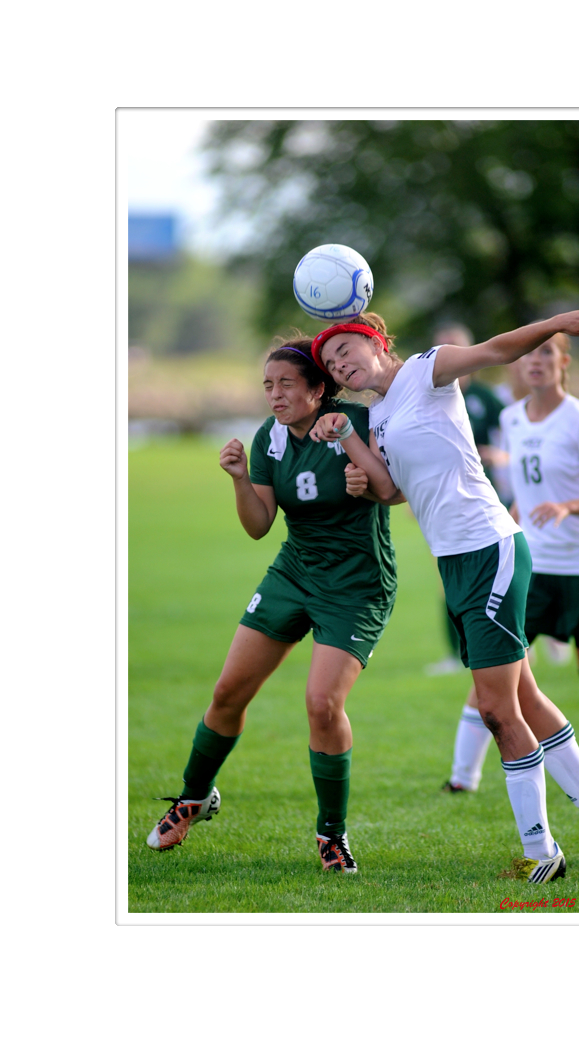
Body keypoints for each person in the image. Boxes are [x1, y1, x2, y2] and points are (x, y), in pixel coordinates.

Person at [309, 309, 579, 882]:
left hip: (490, 547)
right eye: (331, 365)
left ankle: (541, 852)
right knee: (523, 699)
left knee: (494, 707)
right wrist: (354, 454)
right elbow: (392, 490)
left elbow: (498, 348)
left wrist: (559, 323)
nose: (340, 367)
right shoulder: (376, 415)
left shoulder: (426, 370)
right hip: (455, 561)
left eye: (345, 351)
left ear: (375, 342)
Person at [145, 338, 397, 874]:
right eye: (267, 386)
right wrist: (240, 480)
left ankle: (331, 836)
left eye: (286, 384)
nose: (274, 395)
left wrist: (368, 481)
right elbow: (259, 526)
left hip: (356, 584)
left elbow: (392, 486)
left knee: (322, 704)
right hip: (294, 571)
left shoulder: (356, 421)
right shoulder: (271, 439)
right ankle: (194, 798)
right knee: (228, 691)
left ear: (317, 388)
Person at [445, 333, 579, 800]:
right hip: (533, 570)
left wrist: (567, 507)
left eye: (546, 352)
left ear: (563, 362)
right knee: (494, 669)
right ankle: (461, 777)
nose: (535, 361)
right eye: (529, 353)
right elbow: (521, 487)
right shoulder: (511, 419)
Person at [424, 323, 509, 676]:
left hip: (488, 504)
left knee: (499, 580)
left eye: (457, 346)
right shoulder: (426, 398)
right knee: (448, 583)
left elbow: (511, 450)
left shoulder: (488, 401)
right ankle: (456, 654)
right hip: (443, 505)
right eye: (443, 347)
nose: (451, 353)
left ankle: (514, 643)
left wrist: (495, 456)